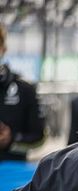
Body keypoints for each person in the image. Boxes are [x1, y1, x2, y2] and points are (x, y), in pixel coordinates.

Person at [0, 25, 46, 162]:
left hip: (13, 176)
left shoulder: (25, 90)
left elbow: (39, 138)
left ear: (3, 49)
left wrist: (11, 140)